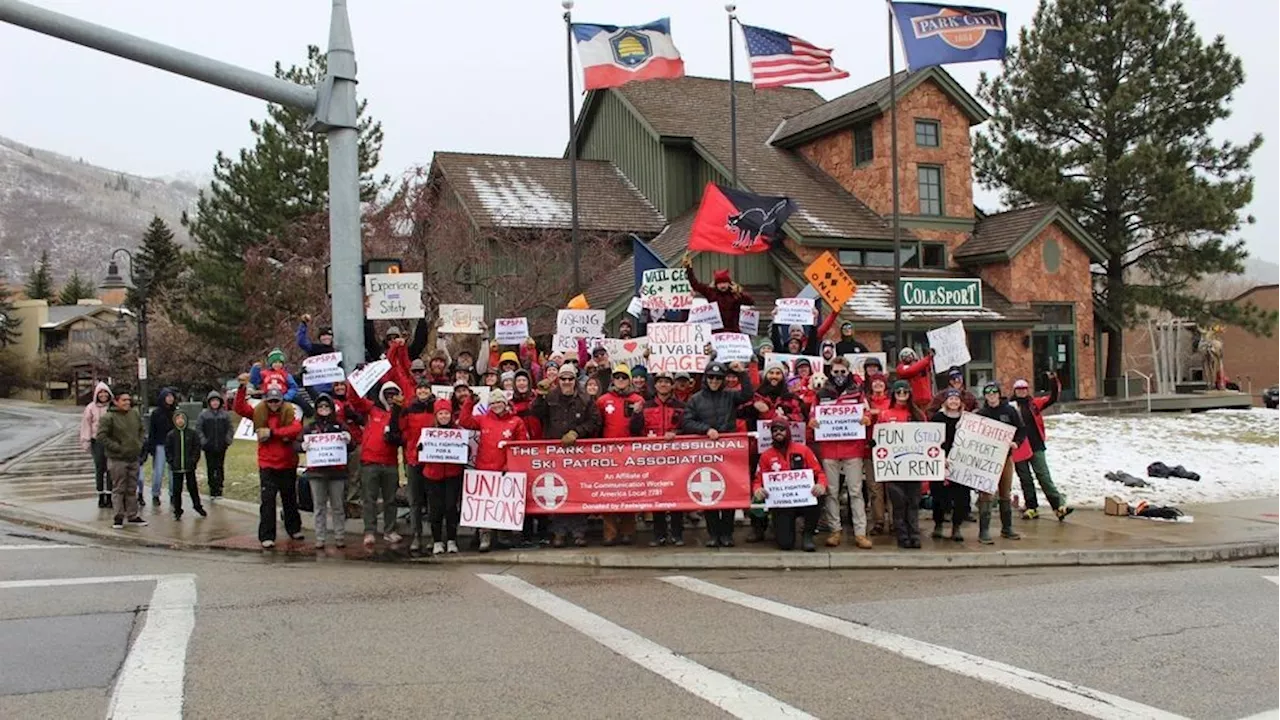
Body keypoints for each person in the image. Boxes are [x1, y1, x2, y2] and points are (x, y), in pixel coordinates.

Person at [344, 339, 413, 548]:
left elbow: (402, 379)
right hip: (370, 463)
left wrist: (397, 350)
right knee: (369, 500)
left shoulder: (399, 414)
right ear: (382, 395)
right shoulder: (372, 410)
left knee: (390, 500)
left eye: (394, 394)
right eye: (388, 394)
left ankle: (390, 530)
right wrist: (356, 377)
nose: (391, 397)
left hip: (390, 464)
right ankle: (369, 531)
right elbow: (354, 400)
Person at [680, 361, 754, 547]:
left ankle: (727, 534)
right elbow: (687, 422)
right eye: (711, 377)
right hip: (706, 452)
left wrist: (741, 373)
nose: (714, 381)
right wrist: (706, 430)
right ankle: (713, 534)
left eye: (718, 378)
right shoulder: (696, 399)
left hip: (728, 452)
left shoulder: (729, 396)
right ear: (706, 378)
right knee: (709, 493)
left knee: (728, 492)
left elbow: (747, 394)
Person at [531, 365, 602, 547]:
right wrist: (540, 394)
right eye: (563, 379)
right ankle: (559, 532)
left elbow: (595, 420)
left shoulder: (585, 399)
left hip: (578, 454)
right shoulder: (550, 397)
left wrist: (577, 432)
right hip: (554, 454)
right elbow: (536, 413)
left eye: (570, 378)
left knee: (577, 490)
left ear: (575, 380)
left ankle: (579, 531)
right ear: (559, 380)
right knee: (557, 492)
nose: (567, 382)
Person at [811, 356, 873, 549]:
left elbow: (867, 412)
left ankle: (860, 533)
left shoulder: (857, 392)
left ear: (848, 372)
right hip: (829, 449)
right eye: (835, 372)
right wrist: (812, 422)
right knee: (831, 492)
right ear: (831, 372)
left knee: (855, 492)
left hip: (852, 447)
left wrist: (866, 419)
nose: (839, 375)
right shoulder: (822, 393)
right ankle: (835, 530)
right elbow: (813, 414)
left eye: (842, 372)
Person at [233, 381, 304, 549]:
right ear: (266, 401)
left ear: (281, 401)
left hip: (287, 462)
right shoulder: (259, 413)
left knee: (290, 499)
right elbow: (240, 408)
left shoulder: (289, 412)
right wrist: (242, 389)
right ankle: (267, 535)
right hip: (267, 464)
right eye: (270, 401)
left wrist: (273, 433)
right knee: (268, 501)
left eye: (276, 401)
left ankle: (294, 529)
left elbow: (295, 428)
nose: (273, 404)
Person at [459, 389, 528, 551]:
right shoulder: (483, 419)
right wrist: (470, 402)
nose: (496, 405)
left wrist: (510, 465)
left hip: (506, 470)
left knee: (504, 505)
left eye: (499, 402)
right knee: (485, 506)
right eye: (493, 403)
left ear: (505, 403)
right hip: (484, 468)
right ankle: (485, 537)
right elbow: (464, 420)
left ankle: (504, 536)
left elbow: (521, 447)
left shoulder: (516, 421)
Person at [630, 369, 687, 546]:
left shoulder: (681, 406)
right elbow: (634, 430)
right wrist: (636, 415)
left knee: (677, 496)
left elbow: (687, 428)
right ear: (655, 385)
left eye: (667, 382)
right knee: (657, 496)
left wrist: (676, 434)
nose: (663, 384)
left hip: (675, 457)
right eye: (660, 381)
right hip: (653, 458)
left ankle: (677, 534)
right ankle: (659, 535)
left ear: (672, 385)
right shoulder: (645, 406)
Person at [753, 418, 828, 552]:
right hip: (782, 503)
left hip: (804, 499)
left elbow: (820, 473)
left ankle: (808, 535)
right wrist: (758, 489)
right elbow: (758, 479)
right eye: (774, 431)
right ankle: (777, 528)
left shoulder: (803, 450)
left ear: (788, 431)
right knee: (785, 544)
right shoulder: (766, 455)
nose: (778, 433)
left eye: (781, 430)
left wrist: (821, 485)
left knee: (818, 497)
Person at [1011, 374, 1073, 521]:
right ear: (1014, 391)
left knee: (1044, 476)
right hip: (1019, 446)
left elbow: (1053, 398)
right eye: (1019, 389)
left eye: (1024, 389)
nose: (1021, 391)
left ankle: (1058, 506)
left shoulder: (1034, 404)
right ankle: (1032, 507)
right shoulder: (1010, 407)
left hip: (1036, 445)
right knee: (1025, 478)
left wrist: (1053, 381)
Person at [597, 364, 644, 546]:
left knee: (628, 491)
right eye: (618, 377)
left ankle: (627, 531)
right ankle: (610, 533)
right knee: (608, 493)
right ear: (613, 380)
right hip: (608, 454)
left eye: (624, 377)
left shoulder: (638, 399)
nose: (621, 381)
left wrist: (638, 414)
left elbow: (640, 428)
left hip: (630, 453)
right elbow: (598, 426)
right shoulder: (603, 400)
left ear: (629, 380)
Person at [878, 380, 928, 548]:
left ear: (909, 394)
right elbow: (879, 437)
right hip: (894, 467)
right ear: (893, 394)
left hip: (913, 466)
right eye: (898, 392)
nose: (901, 395)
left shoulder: (918, 415)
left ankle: (914, 534)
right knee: (899, 503)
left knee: (913, 502)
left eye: (904, 392)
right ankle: (902, 536)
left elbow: (928, 437)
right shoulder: (885, 414)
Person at [975, 382, 1026, 544]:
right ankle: (984, 531)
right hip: (987, 459)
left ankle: (1007, 528)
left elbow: (1021, 429)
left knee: (1005, 492)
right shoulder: (981, 413)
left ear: (999, 393)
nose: (991, 395)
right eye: (988, 392)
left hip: (1005, 457)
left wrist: (1016, 443)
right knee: (986, 494)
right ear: (985, 395)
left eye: (994, 392)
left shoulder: (1009, 411)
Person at [302, 393, 351, 551]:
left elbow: (352, 446)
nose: (324, 409)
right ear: (316, 409)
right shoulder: (310, 427)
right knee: (319, 506)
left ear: (331, 408)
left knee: (338, 506)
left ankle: (339, 536)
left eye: (326, 406)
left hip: (336, 473)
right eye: (321, 406)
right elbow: (296, 443)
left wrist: (348, 439)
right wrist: (302, 446)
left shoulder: (339, 425)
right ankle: (320, 538)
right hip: (316, 473)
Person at [97, 389, 147, 529]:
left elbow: (142, 430)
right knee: (119, 488)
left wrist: (139, 443)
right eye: (124, 400)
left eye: (128, 400)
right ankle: (118, 517)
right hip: (117, 458)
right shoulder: (109, 417)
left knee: (132, 488)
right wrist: (117, 447)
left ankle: (132, 515)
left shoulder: (134, 414)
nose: (127, 402)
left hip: (133, 456)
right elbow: (101, 436)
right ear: (116, 401)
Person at [399, 379, 438, 554]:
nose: (423, 391)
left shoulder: (437, 408)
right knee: (415, 501)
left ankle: (432, 536)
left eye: (426, 388)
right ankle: (416, 535)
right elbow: (403, 430)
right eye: (420, 388)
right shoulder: (409, 409)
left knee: (432, 501)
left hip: (432, 460)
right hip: (414, 459)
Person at [421, 398, 464, 555]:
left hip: (452, 475)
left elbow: (465, 451)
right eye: (441, 413)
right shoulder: (428, 432)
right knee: (435, 510)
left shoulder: (458, 431)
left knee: (451, 507)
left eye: (447, 413)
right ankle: (437, 541)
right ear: (436, 415)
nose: (444, 416)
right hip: (433, 475)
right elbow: (421, 453)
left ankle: (452, 540)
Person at [930, 389, 970, 542]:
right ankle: (938, 524)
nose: (954, 401)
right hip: (941, 461)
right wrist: (941, 457)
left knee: (960, 496)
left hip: (961, 462)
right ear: (945, 401)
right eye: (951, 399)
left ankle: (956, 527)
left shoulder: (967, 420)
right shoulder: (937, 418)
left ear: (961, 402)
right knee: (938, 496)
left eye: (956, 399)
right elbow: (932, 440)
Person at [682, 254, 754, 334]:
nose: (722, 285)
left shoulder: (735, 294)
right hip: (716, 333)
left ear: (729, 283)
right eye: (720, 283)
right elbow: (695, 284)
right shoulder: (711, 292)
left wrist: (739, 292)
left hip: (733, 333)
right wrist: (689, 268)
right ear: (716, 284)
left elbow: (750, 301)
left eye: (725, 283)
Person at [863, 373, 892, 534]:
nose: (878, 384)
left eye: (881, 382)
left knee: (891, 487)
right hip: (870, 448)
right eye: (875, 382)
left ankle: (895, 521)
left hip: (892, 450)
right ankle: (879, 521)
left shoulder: (892, 401)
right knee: (874, 488)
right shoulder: (865, 401)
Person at [140, 387, 178, 507]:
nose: (170, 399)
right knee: (158, 471)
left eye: (172, 396)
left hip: (173, 446)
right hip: (160, 445)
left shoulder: (176, 412)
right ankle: (155, 494)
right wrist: (151, 447)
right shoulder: (156, 413)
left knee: (173, 471)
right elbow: (152, 431)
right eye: (168, 396)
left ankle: (173, 495)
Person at [165, 410, 205, 520]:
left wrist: (193, 460)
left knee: (193, 488)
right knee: (177, 490)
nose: (180, 421)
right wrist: (171, 461)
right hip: (176, 467)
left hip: (189, 467)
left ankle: (197, 506)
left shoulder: (192, 434)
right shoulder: (171, 435)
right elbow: (168, 450)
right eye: (177, 419)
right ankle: (177, 510)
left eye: (182, 418)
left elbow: (196, 448)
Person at [80, 381, 113, 508]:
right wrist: (86, 441)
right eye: (100, 393)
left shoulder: (112, 407)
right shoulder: (90, 408)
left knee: (110, 468)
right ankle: (101, 494)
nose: (103, 395)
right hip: (97, 441)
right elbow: (86, 425)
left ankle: (109, 495)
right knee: (100, 468)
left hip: (111, 441)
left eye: (105, 392)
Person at [196, 390, 234, 501]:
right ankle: (212, 489)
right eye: (213, 401)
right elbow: (199, 430)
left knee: (220, 467)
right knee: (211, 468)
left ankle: (219, 487)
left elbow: (230, 428)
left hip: (222, 445)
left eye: (217, 401)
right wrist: (203, 441)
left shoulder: (225, 415)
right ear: (209, 402)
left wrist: (227, 440)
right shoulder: (204, 415)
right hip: (209, 447)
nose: (215, 403)